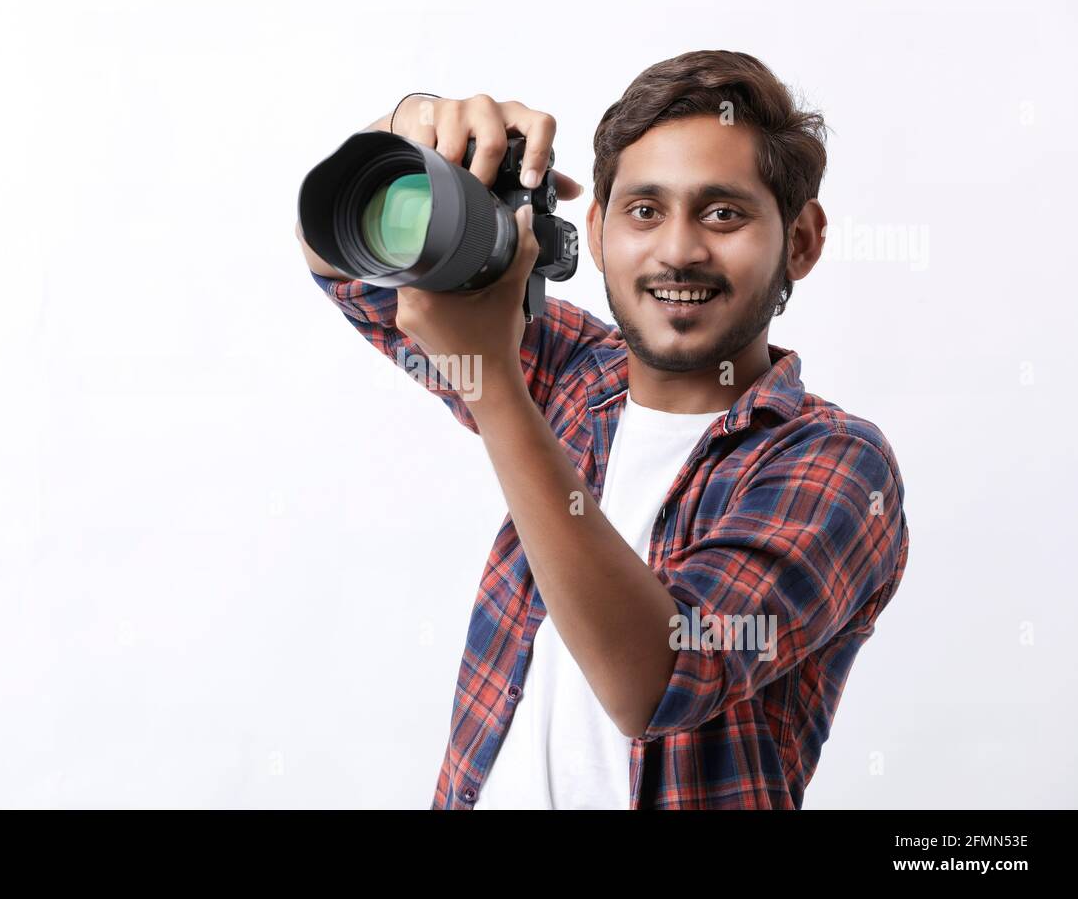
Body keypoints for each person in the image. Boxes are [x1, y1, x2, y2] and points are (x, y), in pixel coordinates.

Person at [296, 50, 910, 809]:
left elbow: (659, 678)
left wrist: (494, 388)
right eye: (644, 210)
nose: (678, 249)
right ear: (595, 228)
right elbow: (342, 268)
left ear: (803, 240)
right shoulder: (573, 376)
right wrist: (409, 132)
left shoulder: (836, 463)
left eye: (723, 213)